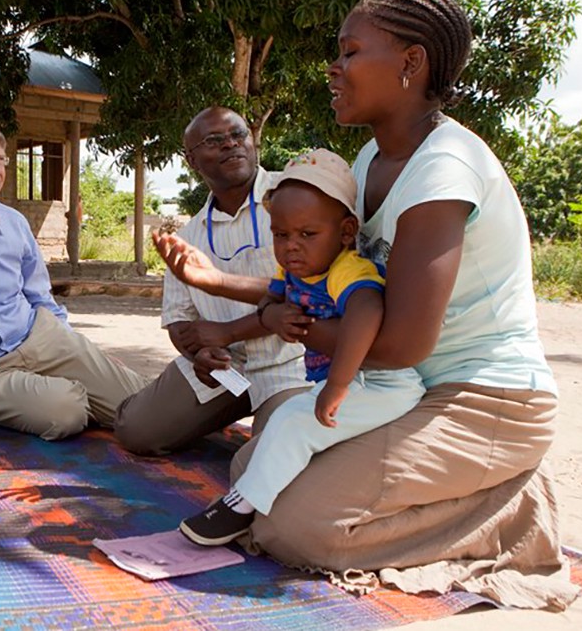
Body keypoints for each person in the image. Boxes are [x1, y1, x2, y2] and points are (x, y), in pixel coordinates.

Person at [154, 0, 573, 609]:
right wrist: (223, 286)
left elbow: (401, 342)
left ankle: (508, 509)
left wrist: (280, 323)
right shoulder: (374, 156)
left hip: (488, 400)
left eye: (349, 52)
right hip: (402, 389)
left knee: (293, 527)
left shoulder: (444, 171)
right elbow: (328, 285)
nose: (334, 67)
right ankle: (444, 488)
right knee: (255, 474)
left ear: (411, 64)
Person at [178, 148, 424, 546]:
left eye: (307, 234)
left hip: (382, 384)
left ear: (345, 233)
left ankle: (240, 508)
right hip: (351, 381)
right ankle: (248, 498)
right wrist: (269, 310)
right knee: (286, 423)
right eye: (281, 235)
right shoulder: (296, 266)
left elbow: (366, 314)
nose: (291, 246)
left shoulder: (349, 270)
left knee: (294, 422)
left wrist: (338, 386)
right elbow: (272, 297)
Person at [0, 115, 149, 440]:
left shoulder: (14, 223)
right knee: (65, 412)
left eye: (0, 159)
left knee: (145, 405)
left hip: (41, 338)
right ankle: (73, 397)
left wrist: (73, 345)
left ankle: (88, 394)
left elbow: (40, 297)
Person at [113, 106, 308, 456]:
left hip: (294, 364)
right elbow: (179, 320)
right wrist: (200, 354)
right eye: (214, 141)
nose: (231, 145)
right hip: (226, 368)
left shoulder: (296, 196)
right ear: (191, 159)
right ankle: (223, 415)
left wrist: (228, 331)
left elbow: (312, 294)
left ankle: (270, 427)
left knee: (269, 463)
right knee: (136, 430)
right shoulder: (189, 236)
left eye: (238, 135)